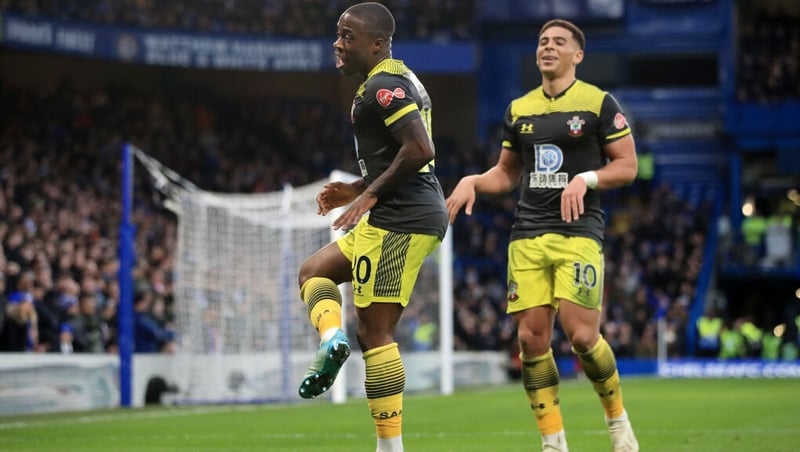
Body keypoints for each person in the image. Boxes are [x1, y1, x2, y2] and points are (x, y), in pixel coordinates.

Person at [446, 19, 639, 452]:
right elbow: (507, 174)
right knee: (531, 340)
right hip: (527, 234)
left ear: (578, 55)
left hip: (578, 232)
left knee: (583, 336)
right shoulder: (519, 109)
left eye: (558, 42)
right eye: (542, 42)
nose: (548, 48)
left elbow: (627, 166)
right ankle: (553, 443)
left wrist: (585, 178)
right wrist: (473, 180)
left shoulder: (598, 102)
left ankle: (617, 421)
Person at [295, 3, 448, 452]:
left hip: (404, 216)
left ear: (377, 44)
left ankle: (390, 448)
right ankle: (331, 339)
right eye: (338, 35)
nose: (338, 44)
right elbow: (401, 157)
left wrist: (369, 195)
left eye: (348, 37)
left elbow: (421, 150)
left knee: (375, 332)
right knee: (314, 272)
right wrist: (356, 188)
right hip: (393, 209)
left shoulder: (385, 86)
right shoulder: (395, 81)